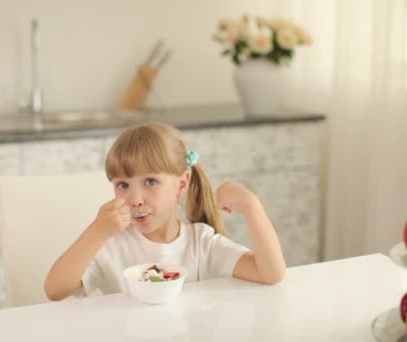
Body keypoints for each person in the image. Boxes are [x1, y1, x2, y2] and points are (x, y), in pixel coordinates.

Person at [44, 123, 286, 300]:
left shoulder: (200, 244)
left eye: (150, 182)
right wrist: (96, 232)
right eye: (123, 185)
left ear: (181, 184)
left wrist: (252, 207)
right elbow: (55, 290)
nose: (135, 199)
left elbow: (270, 273)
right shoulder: (112, 244)